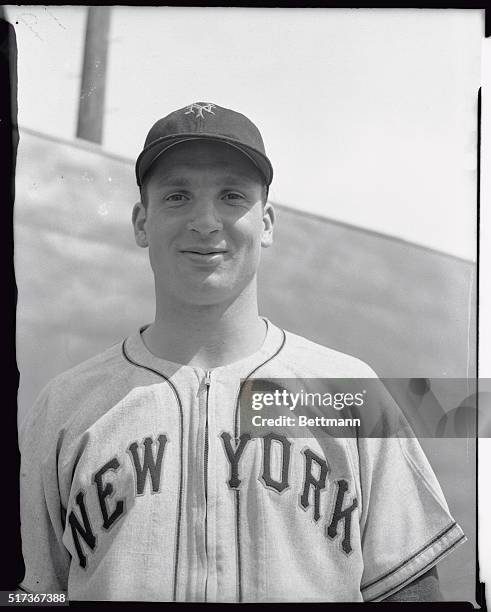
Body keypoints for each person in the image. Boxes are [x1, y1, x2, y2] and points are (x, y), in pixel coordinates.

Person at [18, 101, 466, 602]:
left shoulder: (348, 392)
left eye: (232, 196)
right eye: (177, 196)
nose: (206, 222)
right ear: (142, 222)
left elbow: (409, 593)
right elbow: (35, 592)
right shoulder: (65, 406)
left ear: (267, 223)